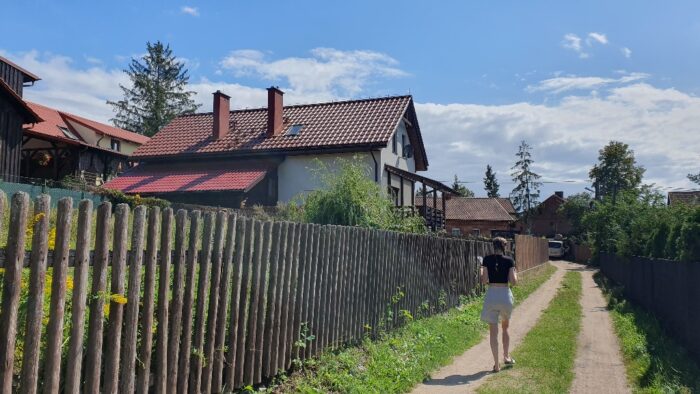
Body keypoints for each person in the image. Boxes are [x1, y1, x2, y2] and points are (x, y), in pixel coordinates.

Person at [480, 237, 518, 372]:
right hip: (504, 294)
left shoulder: (486, 260)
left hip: (492, 295)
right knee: (505, 327)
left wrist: (481, 272)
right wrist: (515, 273)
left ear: (493, 246)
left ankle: (496, 365)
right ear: (504, 247)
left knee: (493, 333)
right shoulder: (509, 260)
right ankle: (506, 357)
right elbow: (513, 282)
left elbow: (484, 281)